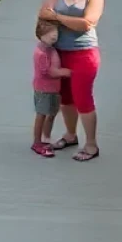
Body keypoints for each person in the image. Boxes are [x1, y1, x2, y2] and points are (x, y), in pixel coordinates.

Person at [38, 0, 105, 162]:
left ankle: (92, 145)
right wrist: (69, 21)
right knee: (66, 99)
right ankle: (70, 135)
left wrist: (57, 17)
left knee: (82, 98)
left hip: (84, 54)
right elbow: (43, 12)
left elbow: (86, 23)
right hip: (58, 53)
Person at [31, 18, 70, 157]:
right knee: (41, 114)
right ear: (41, 35)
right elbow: (48, 72)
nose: (54, 35)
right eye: (49, 33)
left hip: (54, 89)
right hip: (43, 89)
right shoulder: (41, 53)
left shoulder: (50, 48)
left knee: (52, 113)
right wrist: (66, 72)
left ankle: (46, 138)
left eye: (55, 32)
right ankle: (37, 142)